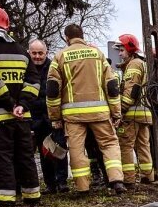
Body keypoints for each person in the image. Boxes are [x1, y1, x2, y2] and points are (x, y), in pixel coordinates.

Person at [47, 23, 126, 195]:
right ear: (82, 36)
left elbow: (52, 89)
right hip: (100, 112)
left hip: (72, 115)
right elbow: (112, 86)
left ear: (66, 38)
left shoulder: (59, 57)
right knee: (109, 144)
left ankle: (83, 187)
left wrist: (55, 117)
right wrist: (116, 112)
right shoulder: (98, 54)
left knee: (77, 149)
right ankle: (117, 180)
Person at [0, 5, 41, 207]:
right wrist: (22, 104)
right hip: (22, 116)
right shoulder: (22, 50)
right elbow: (33, 81)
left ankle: (5, 198)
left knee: (1, 156)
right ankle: (32, 195)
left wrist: (10, 104)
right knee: (25, 156)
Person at [28, 38, 68, 194]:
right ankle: (50, 184)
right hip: (35, 119)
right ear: (29, 53)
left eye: (40, 53)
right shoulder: (26, 69)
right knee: (44, 153)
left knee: (59, 151)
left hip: (53, 117)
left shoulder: (54, 67)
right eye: (34, 53)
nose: (37, 56)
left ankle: (62, 182)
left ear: (46, 53)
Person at [115, 34, 154, 185]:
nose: (120, 53)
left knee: (126, 146)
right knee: (143, 146)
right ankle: (148, 176)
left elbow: (131, 91)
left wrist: (120, 112)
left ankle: (128, 180)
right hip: (144, 114)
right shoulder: (142, 63)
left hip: (131, 114)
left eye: (122, 49)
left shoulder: (133, 65)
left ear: (130, 49)